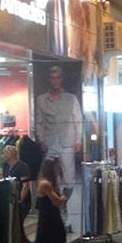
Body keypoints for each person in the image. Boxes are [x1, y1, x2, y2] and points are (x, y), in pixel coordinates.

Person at [34, 65, 83, 193]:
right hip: (49, 142)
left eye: (58, 78)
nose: (55, 81)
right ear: (49, 80)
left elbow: (78, 121)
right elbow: (39, 122)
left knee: (69, 176)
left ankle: (63, 203)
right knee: (48, 175)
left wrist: (78, 140)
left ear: (62, 79)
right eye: (52, 78)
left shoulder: (71, 98)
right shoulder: (41, 100)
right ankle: (54, 202)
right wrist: (41, 139)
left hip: (67, 141)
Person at [31, 158, 69, 243]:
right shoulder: (46, 184)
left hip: (51, 220)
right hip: (49, 221)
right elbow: (57, 202)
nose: (59, 170)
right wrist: (64, 197)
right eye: (57, 168)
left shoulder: (48, 183)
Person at [1, 144, 32, 243]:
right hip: (12, 199)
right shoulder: (6, 167)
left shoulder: (22, 166)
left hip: (22, 201)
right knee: (17, 223)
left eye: (4, 153)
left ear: (10, 155)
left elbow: (26, 186)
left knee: (18, 222)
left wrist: (20, 200)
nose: (2, 155)